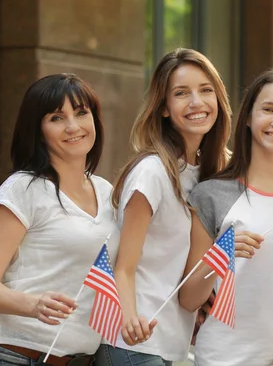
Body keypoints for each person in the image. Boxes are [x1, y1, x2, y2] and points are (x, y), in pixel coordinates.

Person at [0, 73, 119, 366]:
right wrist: (33, 304)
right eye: (56, 118)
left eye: (81, 113)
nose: (73, 126)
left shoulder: (106, 191)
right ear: (38, 131)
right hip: (14, 356)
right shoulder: (24, 188)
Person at [94, 48, 232, 366]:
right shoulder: (152, 172)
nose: (196, 102)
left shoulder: (214, 173)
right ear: (165, 108)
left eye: (205, 90)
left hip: (168, 342)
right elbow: (124, 266)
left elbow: (190, 286)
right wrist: (130, 320)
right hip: (131, 341)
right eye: (181, 93)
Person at [179, 67, 273, 366]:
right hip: (223, 358)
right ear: (248, 117)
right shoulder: (212, 195)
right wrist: (219, 255)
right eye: (268, 109)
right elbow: (189, 299)